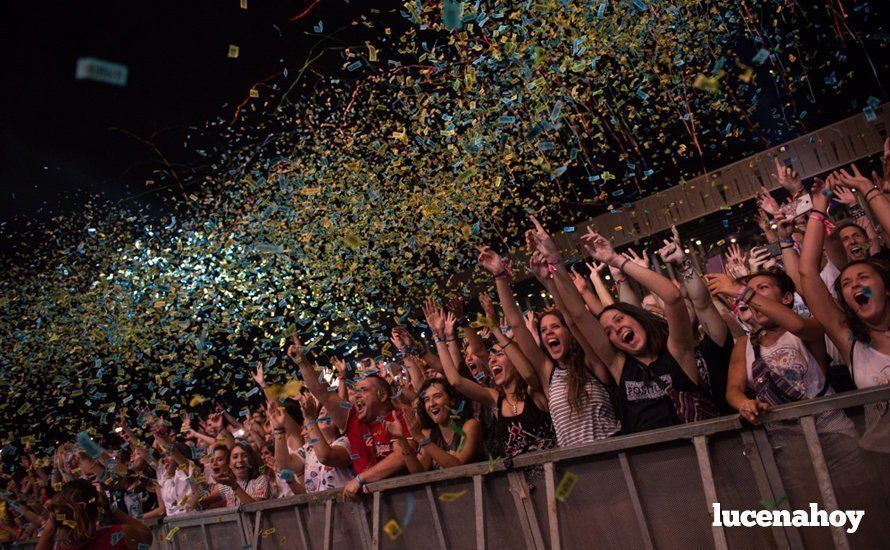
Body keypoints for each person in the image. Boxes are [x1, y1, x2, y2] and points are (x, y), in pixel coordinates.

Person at [579, 228, 717, 433]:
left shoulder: (677, 352)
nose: (616, 329)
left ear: (640, 320)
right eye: (608, 332)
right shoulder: (621, 367)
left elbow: (672, 297)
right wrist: (553, 269)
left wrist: (617, 260)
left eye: (619, 320)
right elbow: (578, 316)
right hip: (645, 465)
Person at [424, 300, 556, 460]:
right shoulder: (496, 399)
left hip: (555, 481)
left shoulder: (535, 392)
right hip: (520, 484)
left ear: (516, 361)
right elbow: (455, 381)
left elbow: (528, 375)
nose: (491, 360)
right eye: (491, 356)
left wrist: (495, 328)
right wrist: (438, 337)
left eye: (499, 355)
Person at [287, 336, 410, 499]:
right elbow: (324, 394)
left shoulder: (399, 417)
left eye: (364, 390)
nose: (357, 396)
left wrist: (360, 479)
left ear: (382, 396)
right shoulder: (353, 420)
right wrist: (302, 363)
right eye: (356, 391)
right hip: (371, 508)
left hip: (406, 500)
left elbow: (402, 456)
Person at [389, 378, 483, 472]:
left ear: (452, 400)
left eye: (437, 396)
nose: (432, 404)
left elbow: (458, 465)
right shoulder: (428, 434)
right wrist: (402, 440)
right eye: (427, 400)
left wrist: (421, 438)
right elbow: (418, 473)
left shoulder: (470, 425)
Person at [37, 479, 152, 550]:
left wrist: (50, 526)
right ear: (97, 509)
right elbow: (147, 536)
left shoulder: (62, 548)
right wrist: (109, 507)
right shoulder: (120, 535)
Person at [215, 441, 269, 506]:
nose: (240, 460)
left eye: (245, 456)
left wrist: (234, 486)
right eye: (235, 457)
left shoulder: (261, 479)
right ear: (229, 464)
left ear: (250, 460)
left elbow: (256, 508)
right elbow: (202, 500)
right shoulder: (226, 485)